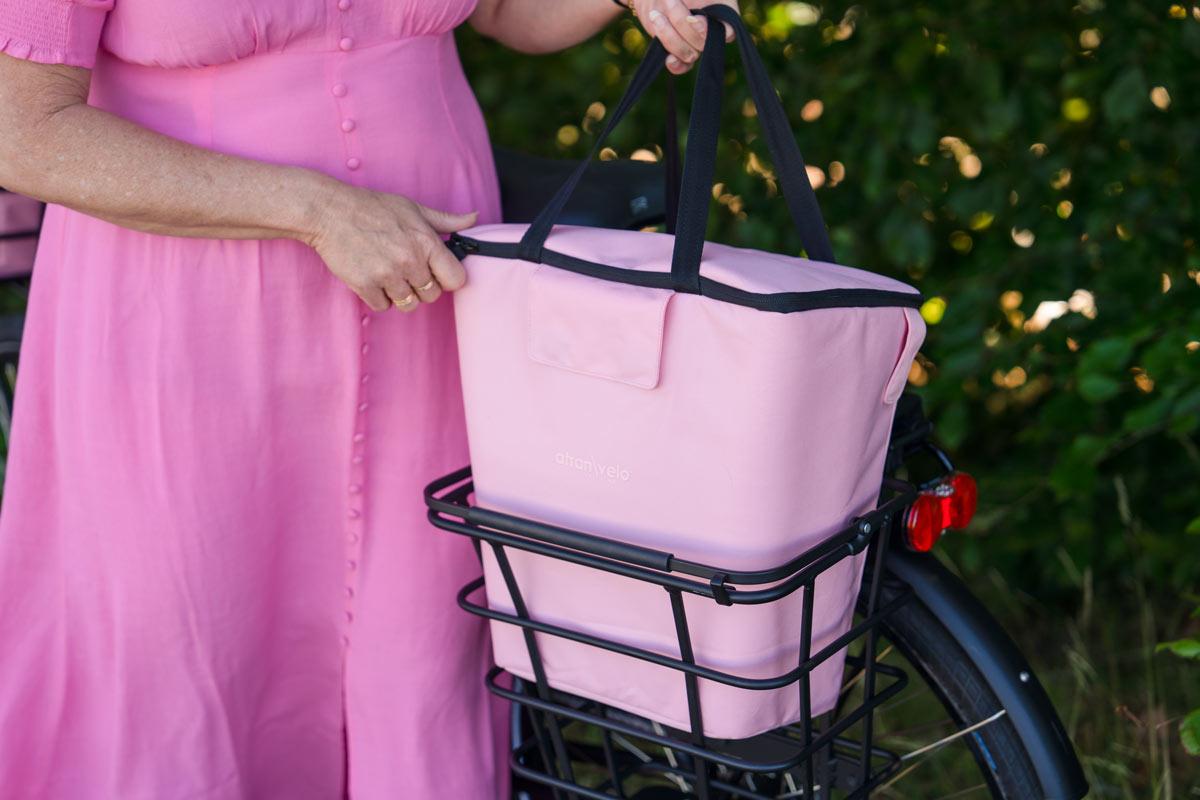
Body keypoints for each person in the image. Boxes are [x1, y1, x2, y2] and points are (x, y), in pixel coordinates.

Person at [0, 0, 735, 797]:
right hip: (182, 327)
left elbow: (504, 13)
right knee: (186, 645)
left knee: (419, 640)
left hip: (431, 305)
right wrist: (313, 211)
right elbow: (22, 131)